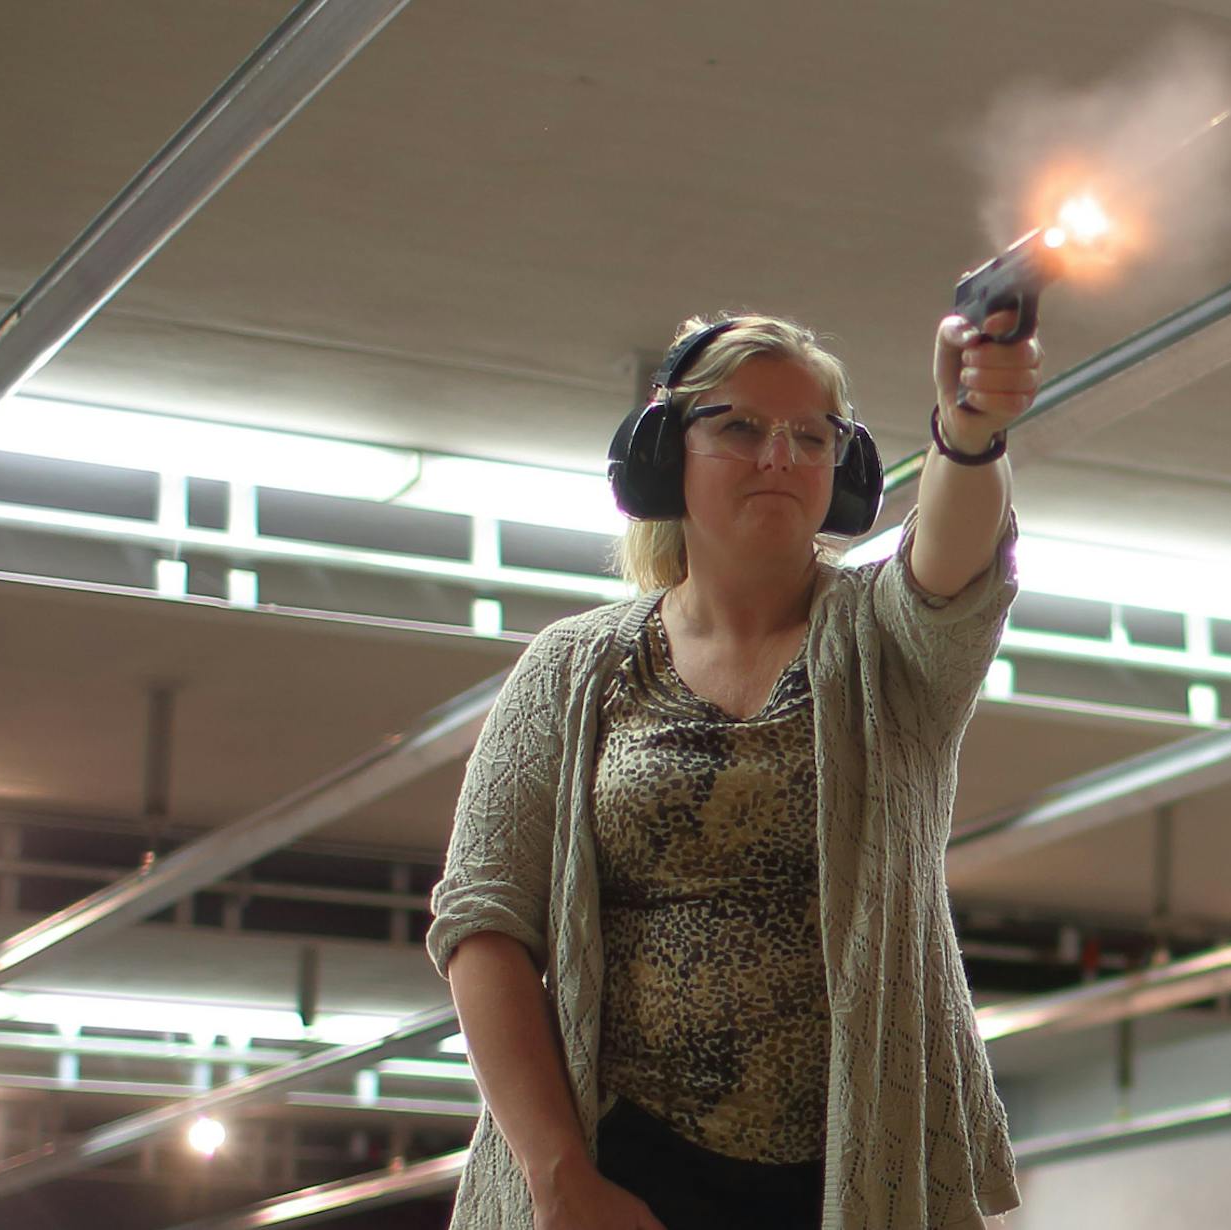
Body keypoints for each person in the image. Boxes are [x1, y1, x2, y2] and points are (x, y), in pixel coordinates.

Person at [426, 308, 1040, 1230]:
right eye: (740, 427)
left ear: (845, 468)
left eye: (810, 435)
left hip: (846, 1174)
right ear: (664, 452)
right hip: (619, 1168)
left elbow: (950, 566)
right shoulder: (571, 665)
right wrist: (560, 1178)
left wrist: (969, 433)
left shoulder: (889, 646)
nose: (778, 457)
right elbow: (483, 924)